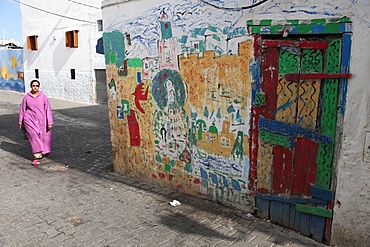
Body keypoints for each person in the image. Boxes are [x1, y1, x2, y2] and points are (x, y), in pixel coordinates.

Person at [18, 79, 54, 165]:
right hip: (29, 120)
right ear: (31, 86)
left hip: (42, 120)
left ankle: (45, 150)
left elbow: (48, 109)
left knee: (44, 137)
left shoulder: (43, 97)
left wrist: (50, 122)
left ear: (39, 87)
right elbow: (22, 109)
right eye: (33, 86)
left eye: (37, 86)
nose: (35, 87)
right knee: (33, 137)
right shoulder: (26, 97)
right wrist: (20, 121)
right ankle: (36, 156)